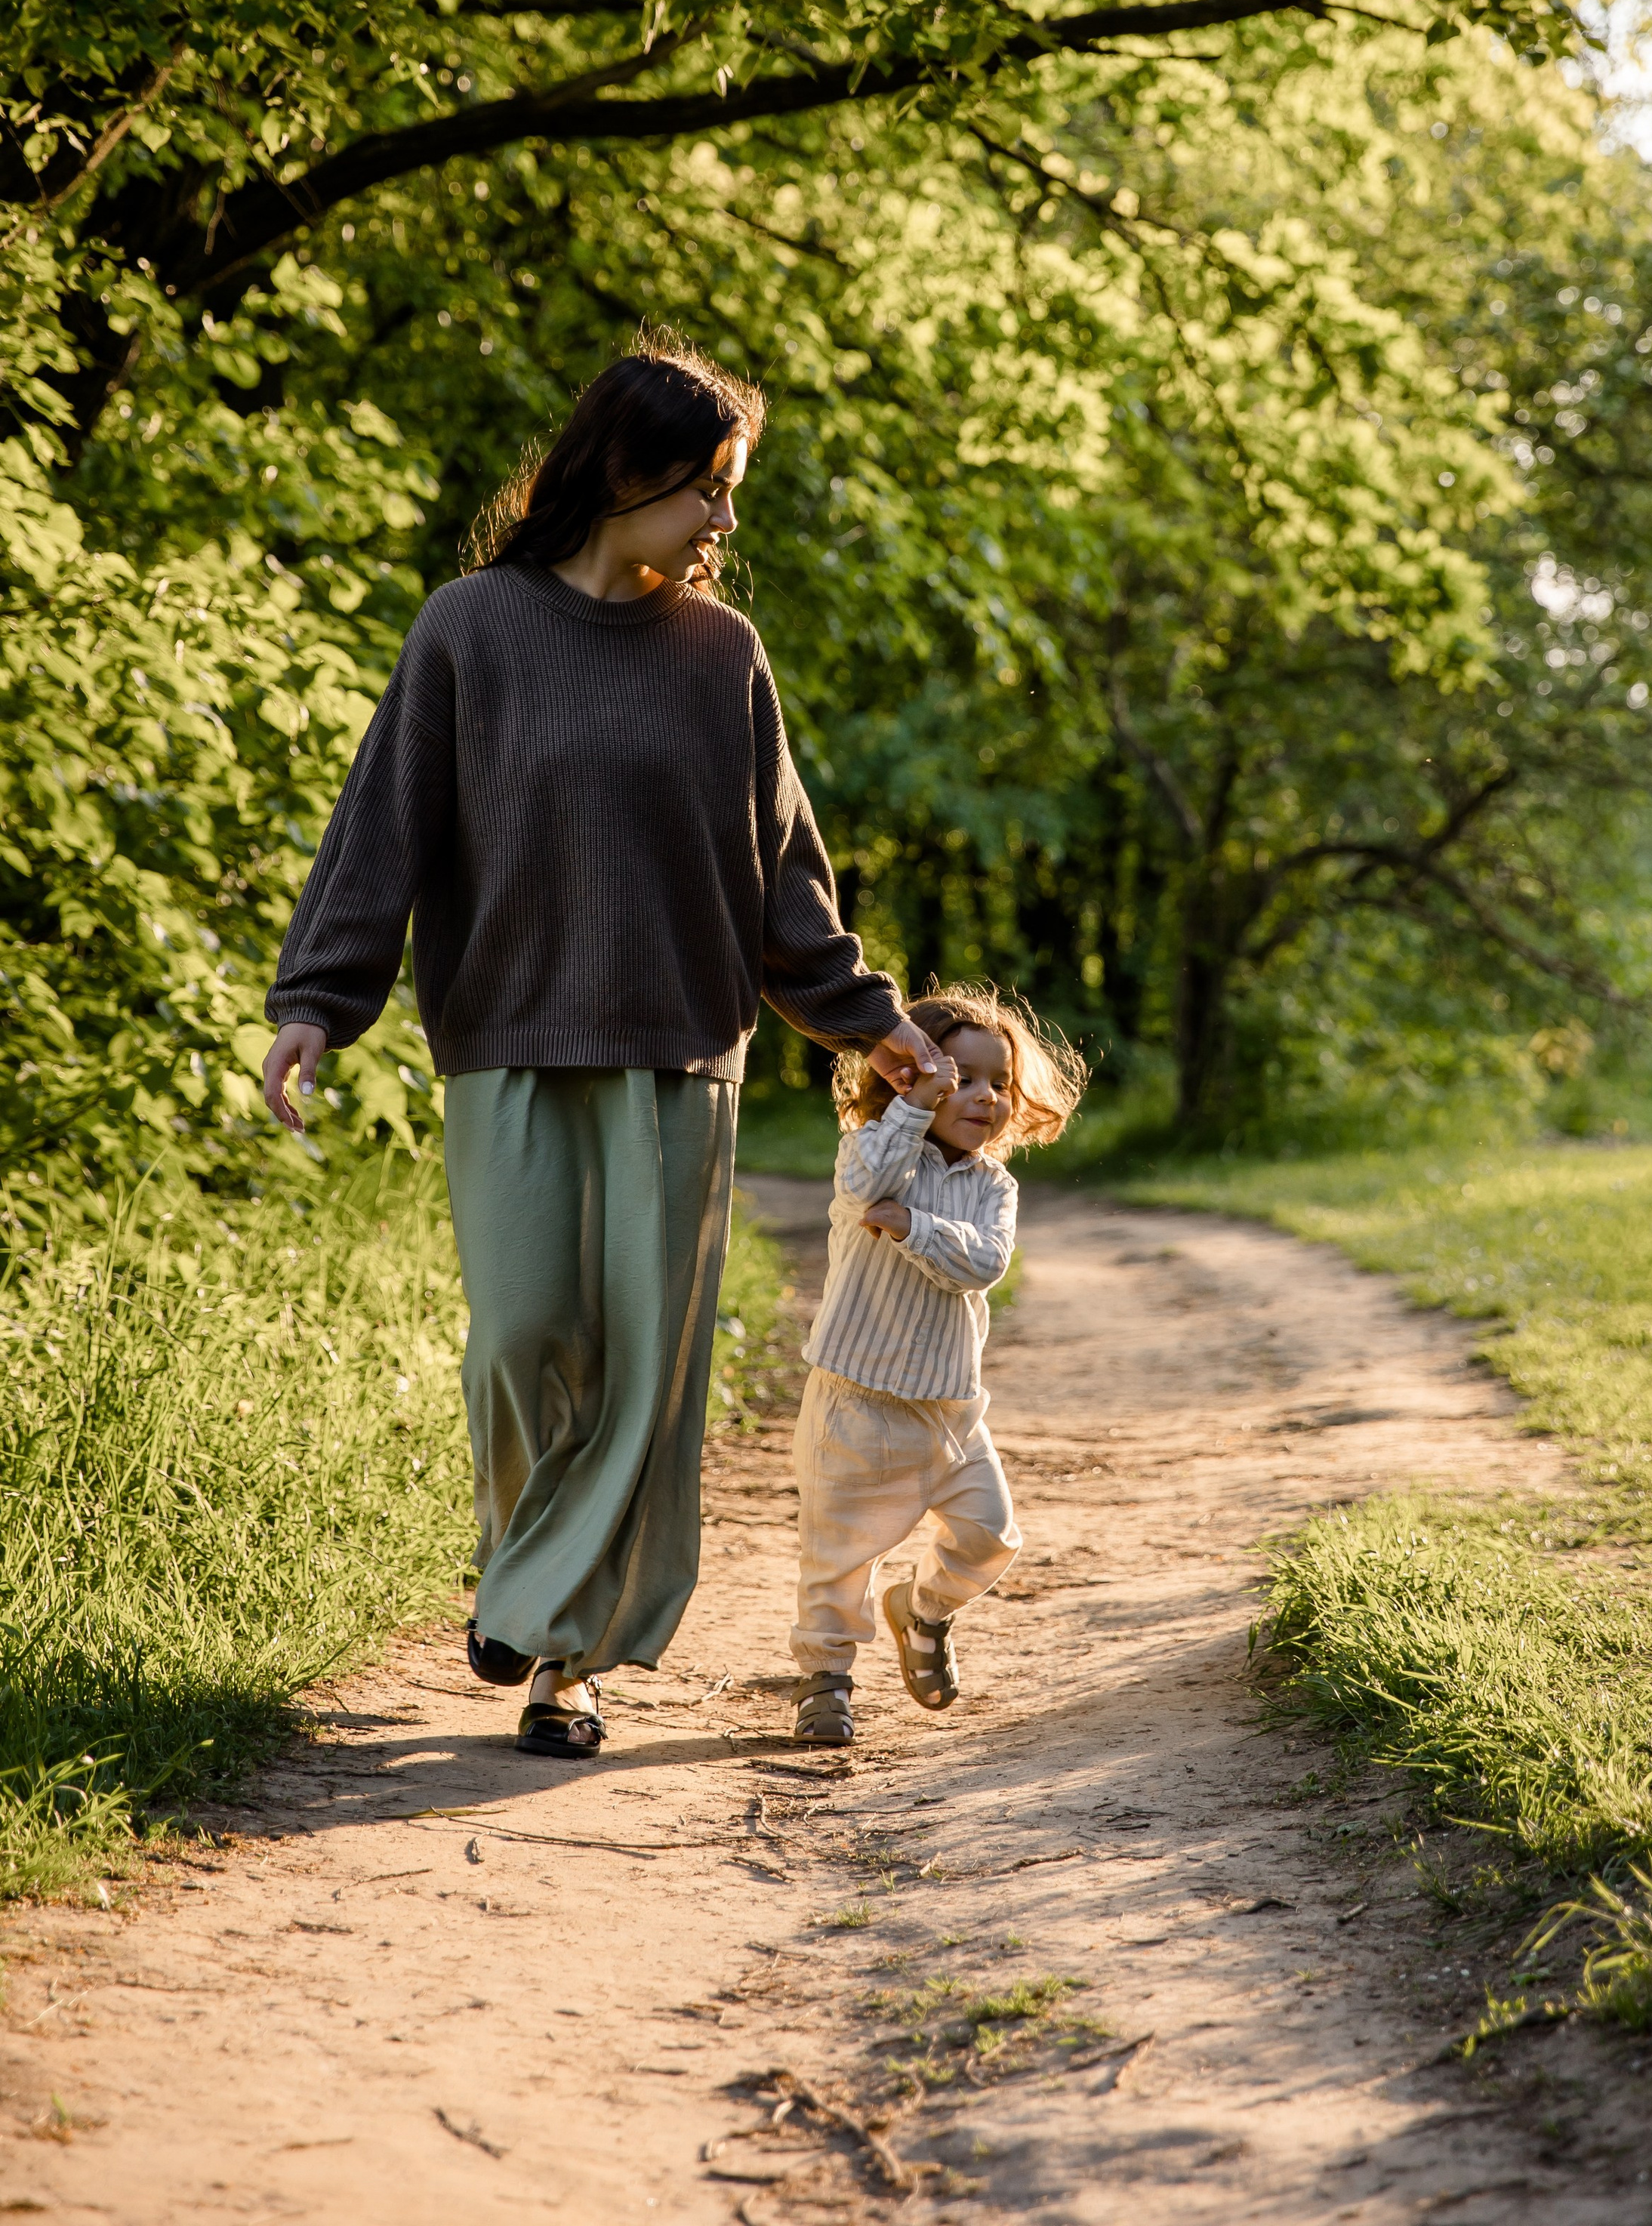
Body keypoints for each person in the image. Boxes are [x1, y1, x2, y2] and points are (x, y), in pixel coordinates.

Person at [260, 332, 942, 1759]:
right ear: (626, 473)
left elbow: (783, 881)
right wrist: (318, 1000)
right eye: (709, 488)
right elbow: (383, 828)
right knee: (523, 1342)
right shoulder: (469, 630)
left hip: (679, 1052)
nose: (723, 521)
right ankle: (530, 1582)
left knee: (645, 1372)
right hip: (507, 1038)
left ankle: (561, 1663)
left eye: (732, 491)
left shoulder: (723, 658)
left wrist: (873, 1022)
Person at [789, 986, 1086, 1747]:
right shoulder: (873, 1151)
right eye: (962, 1078)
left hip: (950, 1410)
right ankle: (826, 1680)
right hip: (854, 1401)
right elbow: (866, 1190)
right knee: (837, 1555)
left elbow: (983, 1263)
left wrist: (914, 1228)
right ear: (911, 1077)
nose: (985, 1097)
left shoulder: (993, 1186)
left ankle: (921, 1610)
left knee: (991, 1535)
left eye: (1000, 1083)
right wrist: (916, 1106)